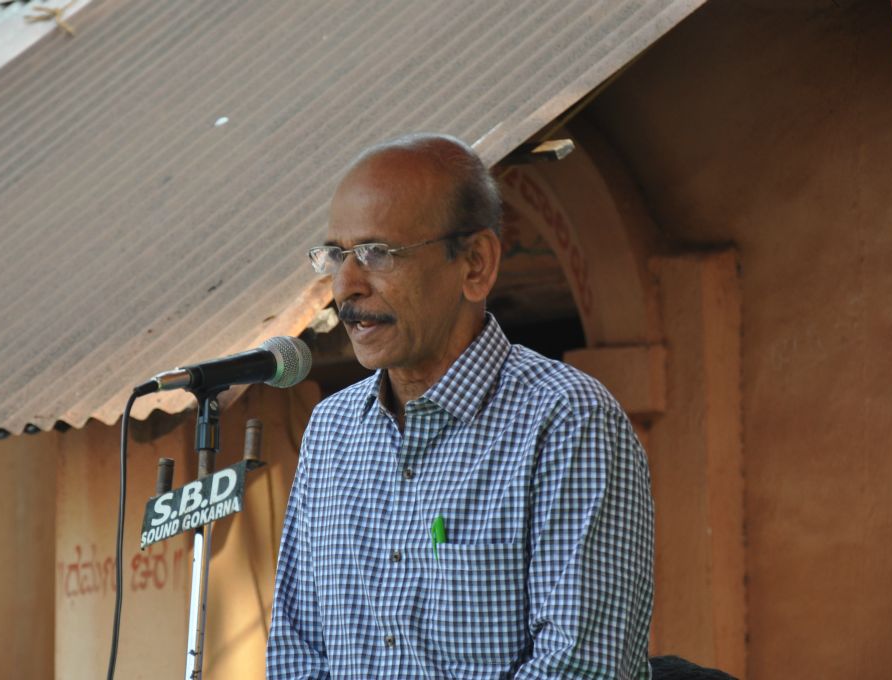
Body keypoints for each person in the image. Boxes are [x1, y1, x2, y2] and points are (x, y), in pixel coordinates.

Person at [266, 133, 654, 679]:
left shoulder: (567, 421)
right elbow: (297, 653)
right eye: (336, 256)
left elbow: (580, 666)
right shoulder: (332, 432)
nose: (346, 286)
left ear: (475, 265)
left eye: (377, 253)